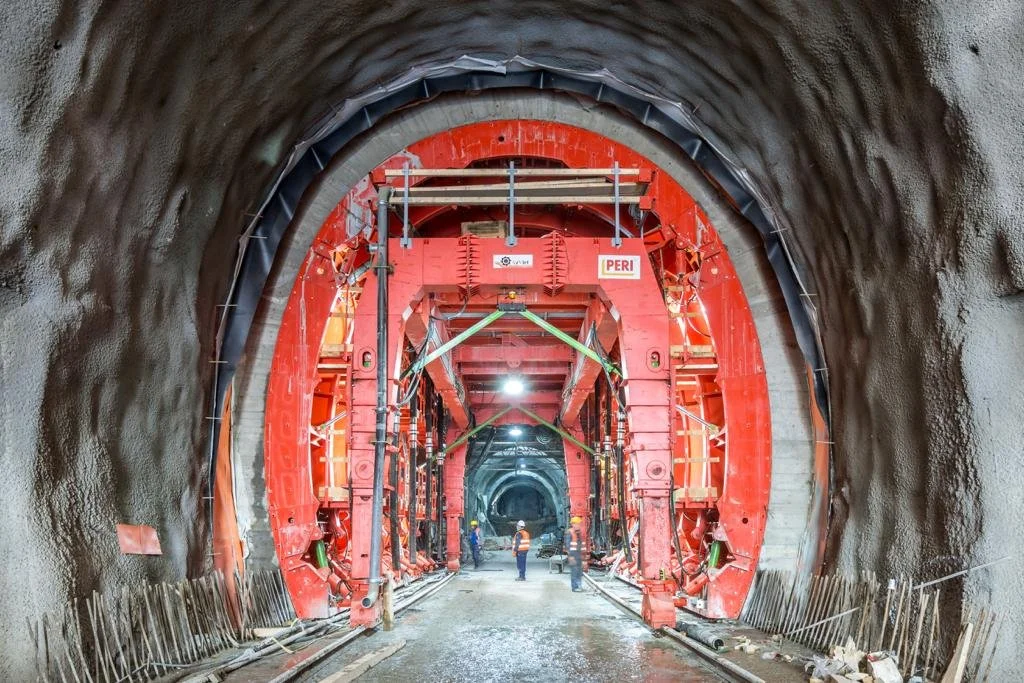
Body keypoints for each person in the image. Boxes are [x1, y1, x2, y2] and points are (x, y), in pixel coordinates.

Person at [564, 516, 587, 592]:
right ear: (573, 524)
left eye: (579, 524)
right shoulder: (569, 532)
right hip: (573, 555)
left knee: (579, 571)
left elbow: (582, 545)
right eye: (578, 524)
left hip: (579, 555)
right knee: (574, 571)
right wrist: (570, 556)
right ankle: (574, 587)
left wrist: (584, 557)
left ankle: (579, 585)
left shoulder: (579, 533)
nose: (579, 525)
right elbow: (567, 546)